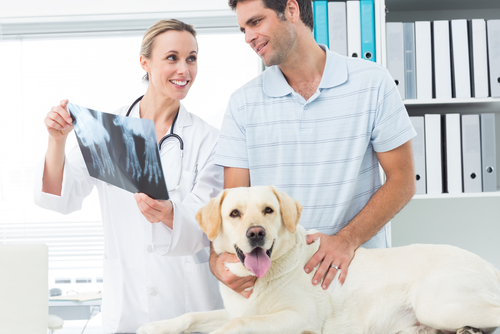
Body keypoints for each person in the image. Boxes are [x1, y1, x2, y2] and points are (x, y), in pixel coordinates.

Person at [211, 0, 416, 297]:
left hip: (359, 279)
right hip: (281, 285)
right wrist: (219, 262)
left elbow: (403, 181)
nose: (248, 37)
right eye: (243, 29)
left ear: (291, 10)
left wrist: (346, 240)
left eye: (256, 22)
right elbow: (232, 205)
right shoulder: (242, 104)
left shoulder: (372, 83)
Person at [34, 19, 224, 333]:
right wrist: (57, 140)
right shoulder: (106, 132)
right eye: (172, 57)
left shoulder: (210, 140)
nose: (184, 69)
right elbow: (60, 198)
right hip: (128, 304)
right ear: (144, 62)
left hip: (191, 305)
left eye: (192, 58)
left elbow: (209, 223)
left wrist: (170, 214)